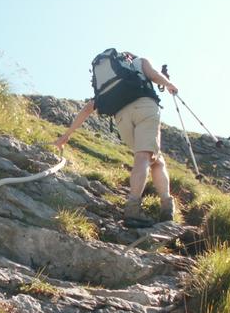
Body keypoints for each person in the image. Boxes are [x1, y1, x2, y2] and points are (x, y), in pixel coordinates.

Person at [53, 53, 178, 228]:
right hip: (145, 108)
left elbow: (88, 108)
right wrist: (170, 84)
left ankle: (164, 207)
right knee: (144, 157)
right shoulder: (139, 61)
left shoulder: (111, 81)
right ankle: (137, 208)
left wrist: (66, 135)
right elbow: (154, 75)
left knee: (155, 159)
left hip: (121, 118)